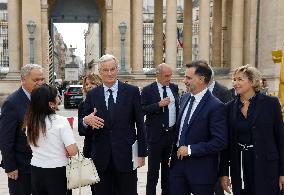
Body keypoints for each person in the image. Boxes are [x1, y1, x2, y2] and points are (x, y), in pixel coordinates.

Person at [80, 54, 147, 195]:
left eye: (112, 69)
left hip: (126, 156)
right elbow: (82, 129)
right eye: (105, 70)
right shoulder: (93, 95)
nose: (109, 73)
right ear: (100, 72)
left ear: (117, 69)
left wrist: (141, 153)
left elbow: (140, 125)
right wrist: (86, 121)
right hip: (100, 157)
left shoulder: (132, 92)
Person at [219, 65, 284, 195]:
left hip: (267, 165)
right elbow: (226, 144)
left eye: (240, 79)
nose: (235, 83)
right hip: (241, 165)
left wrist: (283, 172)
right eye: (234, 79)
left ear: (252, 81)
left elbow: (281, 138)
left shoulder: (271, 103)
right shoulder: (229, 108)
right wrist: (224, 173)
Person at [169, 61, 228, 195]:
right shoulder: (184, 98)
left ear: (201, 79)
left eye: (188, 78)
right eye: (185, 77)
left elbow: (220, 141)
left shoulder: (216, 106)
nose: (184, 81)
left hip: (201, 171)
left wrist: (190, 149)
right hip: (178, 167)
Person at [24, 85, 78, 194]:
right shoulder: (61, 121)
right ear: (50, 103)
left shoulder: (30, 122)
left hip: (36, 169)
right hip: (58, 170)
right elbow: (73, 151)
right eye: (56, 96)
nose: (58, 97)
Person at [0, 64, 44, 195]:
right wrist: (10, 166)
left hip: (43, 166)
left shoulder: (44, 98)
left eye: (42, 79)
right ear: (23, 79)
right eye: (36, 80)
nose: (40, 83)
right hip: (21, 168)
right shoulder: (11, 103)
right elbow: (5, 138)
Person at [141, 63, 179, 195]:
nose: (169, 78)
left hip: (171, 136)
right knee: (153, 172)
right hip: (155, 137)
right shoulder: (147, 90)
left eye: (170, 75)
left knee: (168, 171)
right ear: (158, 75)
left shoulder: (174, 88)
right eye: (166, 76)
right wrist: (158, 104)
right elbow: (142, 110)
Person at [206, 63, 232, 195]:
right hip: (202, 144)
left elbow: (228, 117)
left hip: (217, 143)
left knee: (217, 179)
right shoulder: (193, 92)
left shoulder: (223, 91)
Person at [78, 73, 102, 194]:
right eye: (86, 84)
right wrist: (86, 122)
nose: (89, 86)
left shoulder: (107, 101)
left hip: (109, 150)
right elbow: (81, 131)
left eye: (92, 83)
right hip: (91, 150)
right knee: (95, 188)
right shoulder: (83, 105)